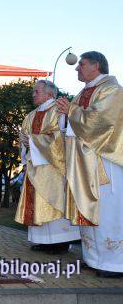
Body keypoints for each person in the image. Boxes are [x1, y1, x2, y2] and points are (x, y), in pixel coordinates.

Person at [56, 51, 123, 277]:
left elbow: (102, 121)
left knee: (107, 208)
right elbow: (71, 123)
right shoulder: (84, 92)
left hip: (104, 159)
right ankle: (94, 258)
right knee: (89, 206)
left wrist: (71, 111)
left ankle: (115, 263)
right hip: (83, 161)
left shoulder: (112, 90)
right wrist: (65, 115)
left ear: (96, 66)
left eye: (81, 64)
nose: (77, 68)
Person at [15, 80, 80, 253]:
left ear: (49, 94)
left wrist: (32, 141)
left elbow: (61, 138)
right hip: (34, 166)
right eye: (33, 91)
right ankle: (43, 241)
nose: (33, 94)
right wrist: (25, 143)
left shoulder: (58, 110)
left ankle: (61, 243)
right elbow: (24, 136)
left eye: (36, 91)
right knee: (37, 203)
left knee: (54, 200)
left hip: (54, 166)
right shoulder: (31, 115)